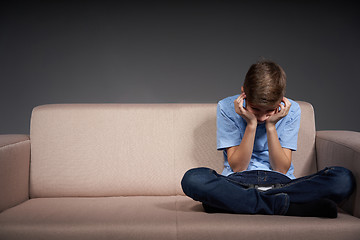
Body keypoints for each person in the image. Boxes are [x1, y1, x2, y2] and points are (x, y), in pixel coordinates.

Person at [181, 59, 355, 218]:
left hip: (282, 184)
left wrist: (272, 126)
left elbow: (281, 168)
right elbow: (237, 166)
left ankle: (238, 204)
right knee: (193, 178)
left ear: (281, 100)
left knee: (342, 178)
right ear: (244, 93)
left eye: (269, 111)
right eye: (256, 109)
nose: (262, 117)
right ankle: (287, 206)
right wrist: (251, 125)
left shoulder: (292, 110)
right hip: (237, 183)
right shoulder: (226, 107)